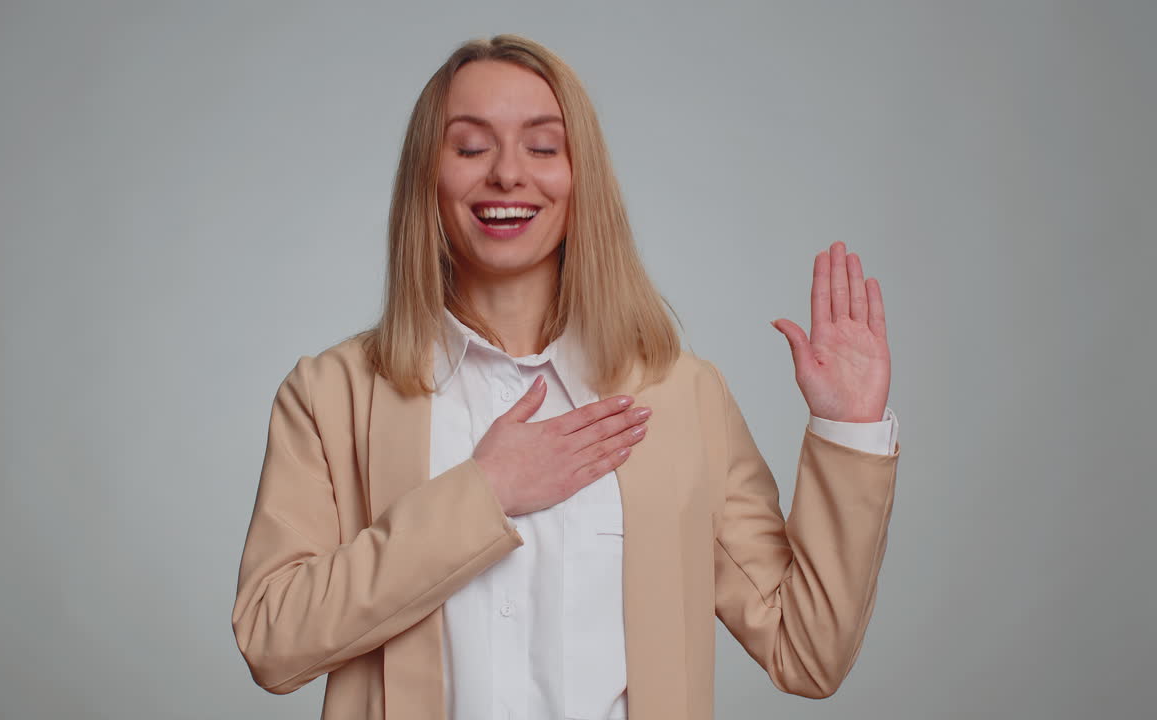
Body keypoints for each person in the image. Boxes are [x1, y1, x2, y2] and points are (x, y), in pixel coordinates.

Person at [231, 34, 901, 720]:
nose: (507, 175)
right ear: (427, 178)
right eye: (469, 147)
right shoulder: (331, 394)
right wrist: (486, 491)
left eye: (543, 147)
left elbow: (807, 651)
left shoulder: (683, 399)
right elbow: (271, 640)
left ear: (582, 176)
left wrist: (848, 429)